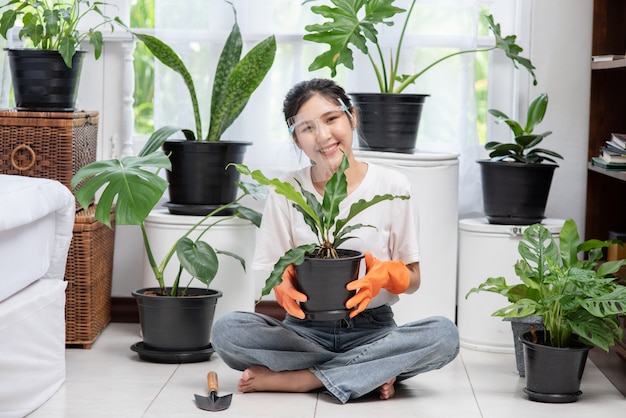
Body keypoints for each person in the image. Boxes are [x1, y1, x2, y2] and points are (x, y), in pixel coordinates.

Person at [211, 78, 459, 404]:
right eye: (307, 128)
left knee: (444, 335)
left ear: (351, 116)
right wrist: (281, 284)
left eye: (331, 119)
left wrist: (387, 275)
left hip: (373, 330)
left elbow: (413, 280)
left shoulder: (393, 185)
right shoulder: (287, 190)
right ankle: (366, 373)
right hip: (304, 332)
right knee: (226, 330)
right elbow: (274, 268)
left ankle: (304, 379)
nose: (324, 136)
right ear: (296, 139)